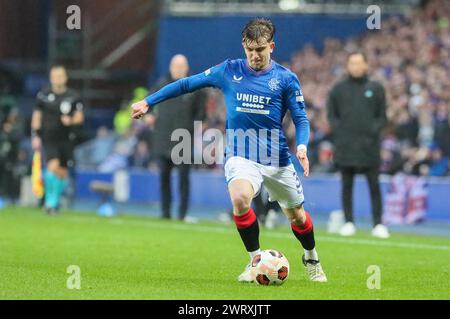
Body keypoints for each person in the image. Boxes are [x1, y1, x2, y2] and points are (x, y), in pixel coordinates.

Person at [132, 19, 327, 282]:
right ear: (243, 47)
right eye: (250, 50)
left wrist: (301, 147)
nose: (255, 56)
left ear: (272, 46)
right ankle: (254, 260)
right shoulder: (228, 70)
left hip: (276, 157)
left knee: (298, 217)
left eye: (261, 49)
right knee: (239, 199)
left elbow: (301, 118)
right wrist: (148, 101)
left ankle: (311, 256)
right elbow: (186, 84)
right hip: (240, 154)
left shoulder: (285, 78)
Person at [327, 52, 389, 238]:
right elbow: (332, 117)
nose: (355, 66)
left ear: (366, 65)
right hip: (345, 146)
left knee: (374, 185)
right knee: (347, 185)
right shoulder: (338, 89)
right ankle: (349, 222)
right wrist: (342, 133)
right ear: (347, 66)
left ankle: (378, 224)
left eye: (359, 63)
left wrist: (372, 132)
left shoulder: (376, 88)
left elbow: (382, 116)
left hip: (369, 146)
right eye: (352, 63)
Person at [149, 54, 207, 222]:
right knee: (164, 178)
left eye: (182, 66)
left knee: (183, 179)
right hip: (163, 138)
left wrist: (194, 129)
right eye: (176, 66)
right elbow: (149, 104)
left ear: (187, 68)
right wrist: (149, 116)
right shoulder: (160, 84)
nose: (179, 69)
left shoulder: (194, 87)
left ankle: (182, 213)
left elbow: (201, 114)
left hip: (183, 140)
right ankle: (165, 212)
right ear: (170, 67)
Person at [31, 65, 84, 214]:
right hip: (49, 137)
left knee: (62, 172)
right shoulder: (43, 95)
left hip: (67, 138)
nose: (57, 79)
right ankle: (50, 202)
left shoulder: (73, 96)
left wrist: (71, 121)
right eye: (55, 76)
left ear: (65, 77)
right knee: (52, 166)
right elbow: (37, 116)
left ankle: (54, 201)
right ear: (51, 78)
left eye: (60, 76)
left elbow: (80, 117)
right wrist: (35, 135)